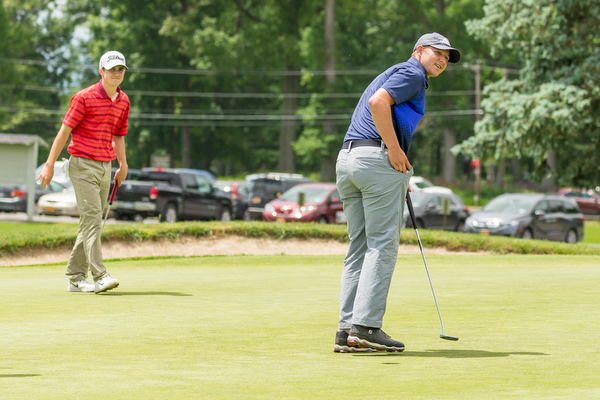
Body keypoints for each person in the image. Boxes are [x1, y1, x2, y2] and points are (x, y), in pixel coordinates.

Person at [333, 33, 461, 352]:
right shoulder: (412, 73)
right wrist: (393, 151)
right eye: (437, 52)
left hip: (348, 159)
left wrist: (392, 167)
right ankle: (365, 327)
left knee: (359, 246)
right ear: (418, 51)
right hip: (374, 158)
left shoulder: (391, 71)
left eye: (447, 56)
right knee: (382, 245)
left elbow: (375, 104)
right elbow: (379, 104)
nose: (443, 59)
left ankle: (346, 331)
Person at [38, 51, 130, 294]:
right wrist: (49, 164)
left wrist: (123, 164)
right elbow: (64, 132)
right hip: (81, 164)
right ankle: (100, 275)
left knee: (92, 221)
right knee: (92, 219)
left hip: (105, 165)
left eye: (120, 69)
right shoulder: (84, 98)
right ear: (101, 71)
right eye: (111, 69)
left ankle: (75, 277)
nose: (116, 73)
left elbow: (119, 134)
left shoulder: (123, 101)